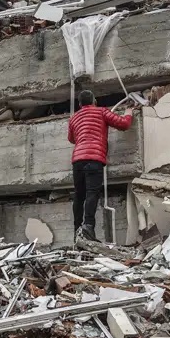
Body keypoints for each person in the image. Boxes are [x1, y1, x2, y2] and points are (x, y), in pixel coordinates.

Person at [67, 90, 136, 242]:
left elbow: (71, 139)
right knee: (92, 192)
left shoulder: (74, 118)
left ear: (79, 104)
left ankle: (77, 230)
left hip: (77, 159)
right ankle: (88, 226)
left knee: (79, 196)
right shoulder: (101, 112)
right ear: (94, 101)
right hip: (94, 158)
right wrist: (129, 112)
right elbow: (123, 124)